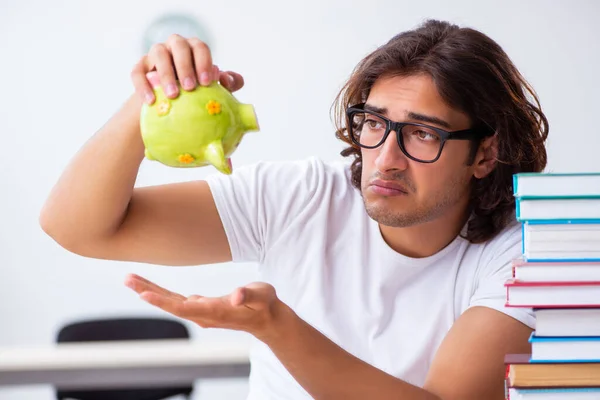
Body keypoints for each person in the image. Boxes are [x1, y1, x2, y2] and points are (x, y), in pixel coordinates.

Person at [39, 19, 549, 400]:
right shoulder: (303, 196)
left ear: (484, 153)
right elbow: (77, 229)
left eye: (422, 133)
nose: (385, 159)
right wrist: (152, 97)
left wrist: (276, 327)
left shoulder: (519, 256)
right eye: (373, 123)